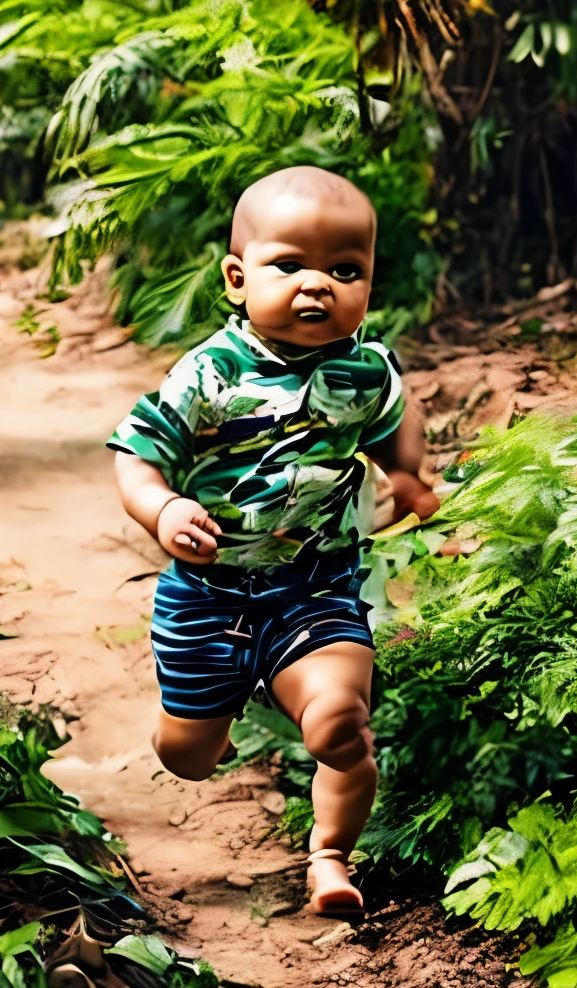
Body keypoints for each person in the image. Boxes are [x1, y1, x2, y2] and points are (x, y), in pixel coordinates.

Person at [110, 166, 439, 915]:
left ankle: (329, 857)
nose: (318, 285)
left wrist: (409, 476)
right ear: (237, 277)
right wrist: (162, 510)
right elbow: (138, 457)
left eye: (344, 270)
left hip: (314, 588)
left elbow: (397, 419)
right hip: (208, 595)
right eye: (289, 266)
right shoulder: (208, 373)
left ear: (369, 281)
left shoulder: (367, 369)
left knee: (340, 721)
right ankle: (207, 726)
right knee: (186, 756)